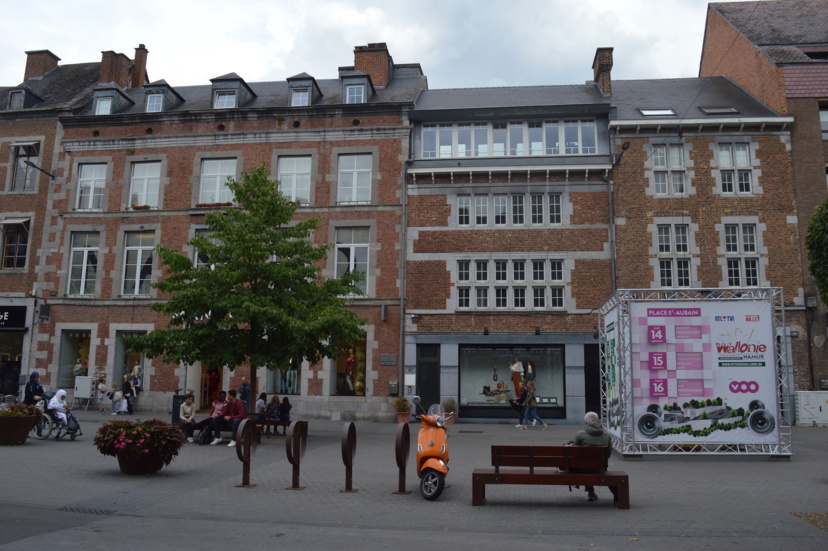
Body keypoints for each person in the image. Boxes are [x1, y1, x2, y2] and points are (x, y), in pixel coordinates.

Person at [572, 411, 612, 502]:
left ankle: (590, 491)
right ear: (598, 420)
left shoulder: (580, 434)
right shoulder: (607, 436)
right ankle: (591, 492)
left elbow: (574, 454)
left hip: (582, 469)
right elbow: (608, 455)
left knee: (585, 464)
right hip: (600, 468)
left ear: (586, 422)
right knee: (590, 464)